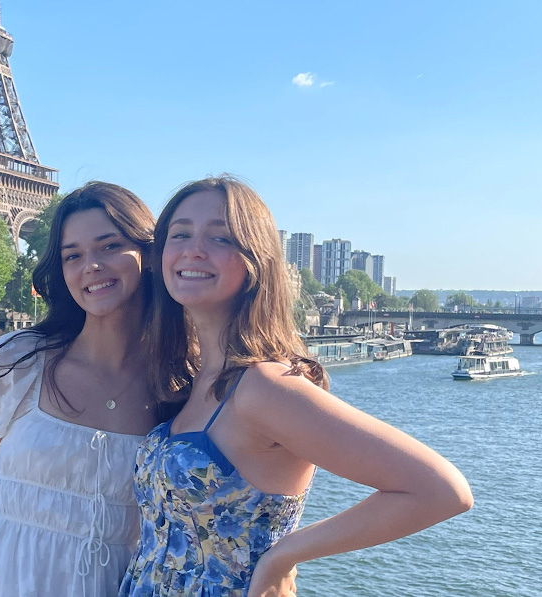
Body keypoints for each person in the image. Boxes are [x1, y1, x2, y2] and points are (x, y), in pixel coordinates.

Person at [120, 177, 473, 597]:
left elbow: (441, 491)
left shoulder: (264, 387)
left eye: (220, 237)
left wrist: (283, 555)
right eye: (180, 234)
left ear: (256, 261)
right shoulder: (196, 376)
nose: (194, 248)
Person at [0, 182, 165, 597]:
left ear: (149, 255)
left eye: (109, 246)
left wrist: (281, 561)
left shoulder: (180, 386)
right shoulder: (20, 362)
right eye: (73, 255)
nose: (91, 266)